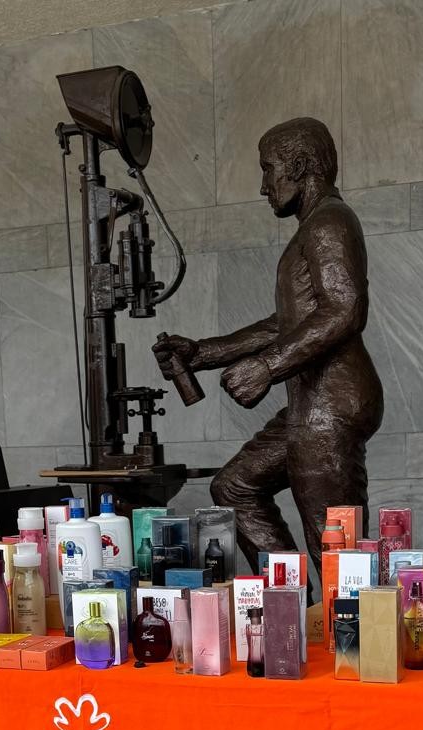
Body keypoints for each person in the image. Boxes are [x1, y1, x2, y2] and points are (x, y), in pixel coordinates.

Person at [154, 117, 383, 575]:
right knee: (234, 488)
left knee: (335, 550)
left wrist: (266, 367)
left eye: (268, 168)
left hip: (330, 405)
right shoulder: (315, 226)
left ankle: (348, 621)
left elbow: (345, 309)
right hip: (311, 405)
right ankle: (289, 600)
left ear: (298, 166)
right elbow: (286, 324)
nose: (263, 186)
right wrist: (203, 353)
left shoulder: (330, 222)